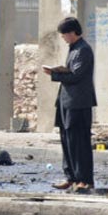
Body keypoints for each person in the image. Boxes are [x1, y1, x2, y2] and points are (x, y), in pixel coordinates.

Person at [43, 17, 96, 191]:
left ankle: (84, 180)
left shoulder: (83, 50)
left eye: (64, 34)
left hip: (78, 103)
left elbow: (76, 76)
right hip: (66, 102)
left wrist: (54, 74)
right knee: (67, 141)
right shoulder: (73, 49)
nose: (63, 38)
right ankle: (71, 178)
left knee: (79, 142)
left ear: (73, 32)